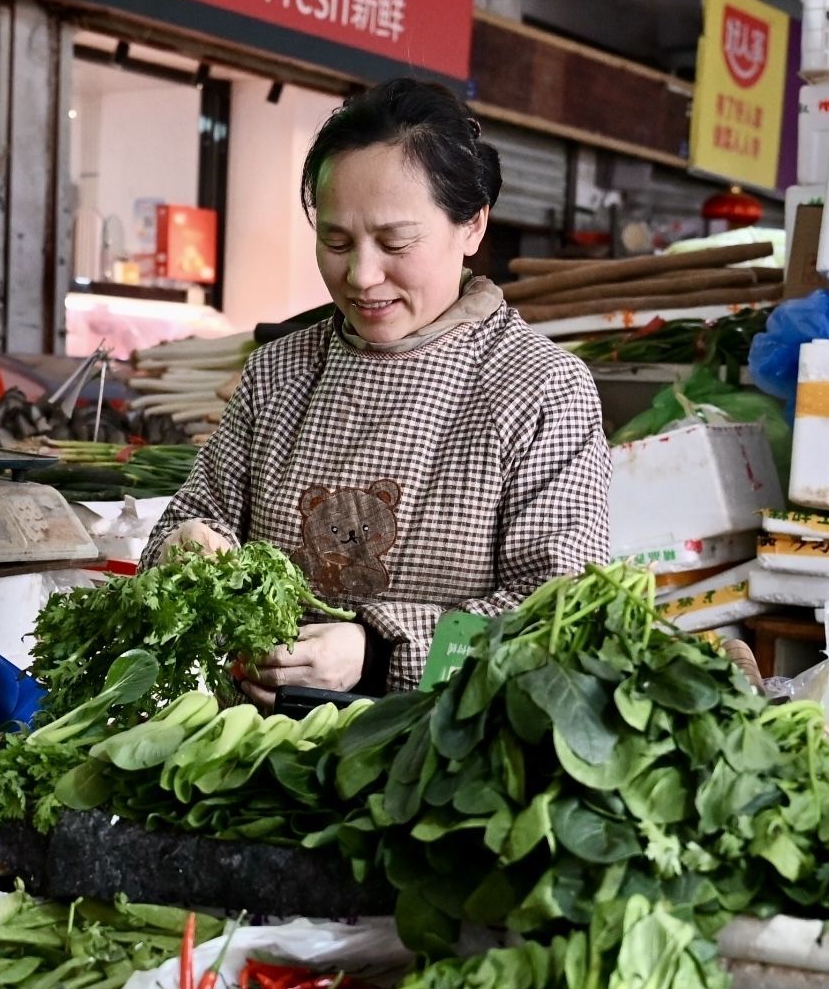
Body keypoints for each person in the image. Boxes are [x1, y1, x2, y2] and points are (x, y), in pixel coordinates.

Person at [145, 77, 609, 696]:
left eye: (396, 242)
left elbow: (564, 621)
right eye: (335, 242)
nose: (362, 276)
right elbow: (196, 516)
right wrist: (185, 547)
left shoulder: (541, 389)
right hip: (251, 752)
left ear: (472, 225)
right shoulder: (279, 372)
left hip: (439, 766)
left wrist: (380, 649)